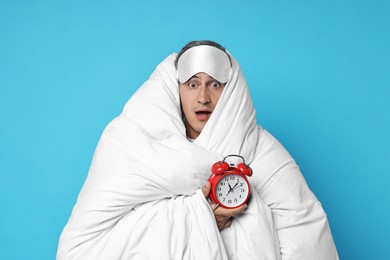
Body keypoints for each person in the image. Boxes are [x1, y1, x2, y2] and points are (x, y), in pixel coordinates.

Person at [57, 40, 339, 259]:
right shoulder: (129, 142)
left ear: (230, 90)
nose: (203, 97)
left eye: (214, 84)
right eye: (192, 84)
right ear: (174, 87)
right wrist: (202, 217)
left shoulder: (264, 152)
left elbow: (307, 237)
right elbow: (82, 249)